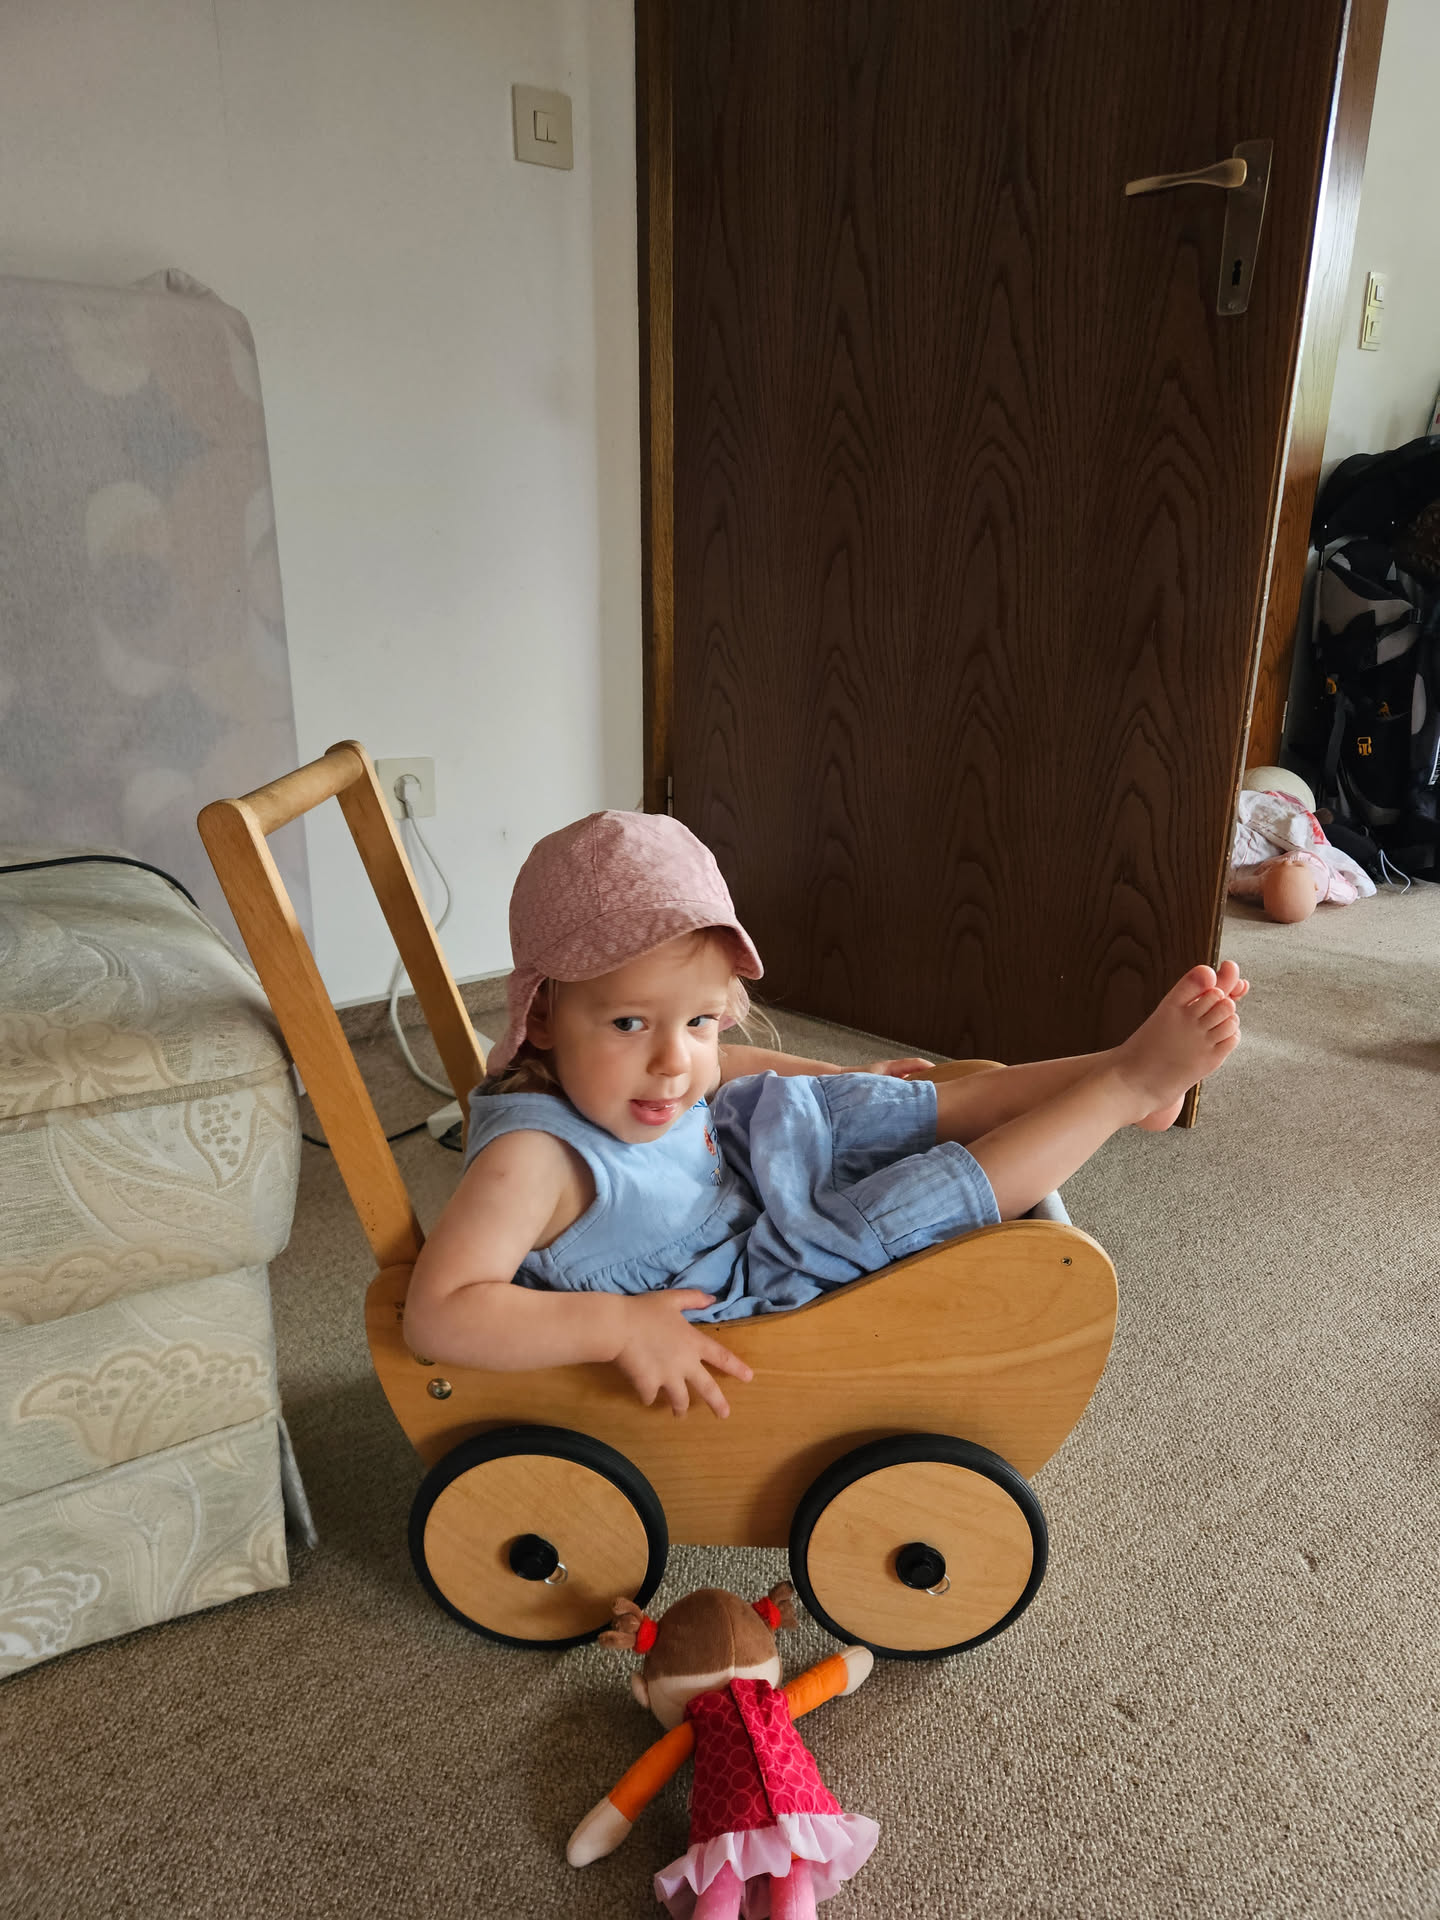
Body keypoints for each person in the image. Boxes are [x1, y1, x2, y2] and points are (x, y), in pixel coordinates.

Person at [404, 812, 1244, 1417]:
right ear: (543, 1020)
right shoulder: (530, 1160)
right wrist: (617, 1326)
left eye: (698, 1020)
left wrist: (842, 1079)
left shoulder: (663, 1070)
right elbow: (439, 1313)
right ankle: (1122, 1089)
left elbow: (724, 1070)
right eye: (629, 1023)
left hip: (747, 1169)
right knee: (907, 1206)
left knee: (893, 1104)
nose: (672, 1061)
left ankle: (1117, 1067)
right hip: (742, 1273)